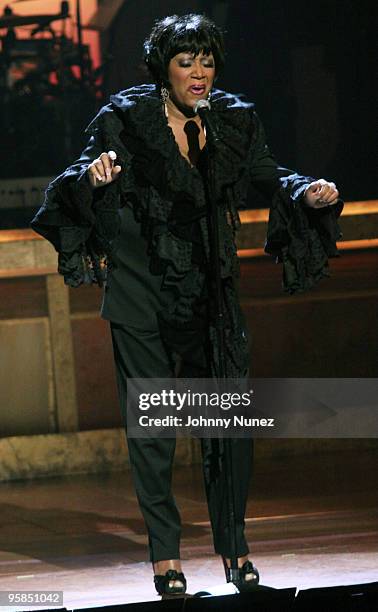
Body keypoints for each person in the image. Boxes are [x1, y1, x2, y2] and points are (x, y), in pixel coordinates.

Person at [31, 13, 342, 597]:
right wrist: (95, 180)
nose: (199, 73)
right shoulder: (125, 120)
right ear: (162, 68)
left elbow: (268, 174)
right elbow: (74, 180)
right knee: (155, 428)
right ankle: (165, 560)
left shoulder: (232, 120)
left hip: (211, 288)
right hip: (140, 288)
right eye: (185, 62)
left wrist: (306, 190)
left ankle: (235, 549)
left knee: (225, 423)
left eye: (207, 61)